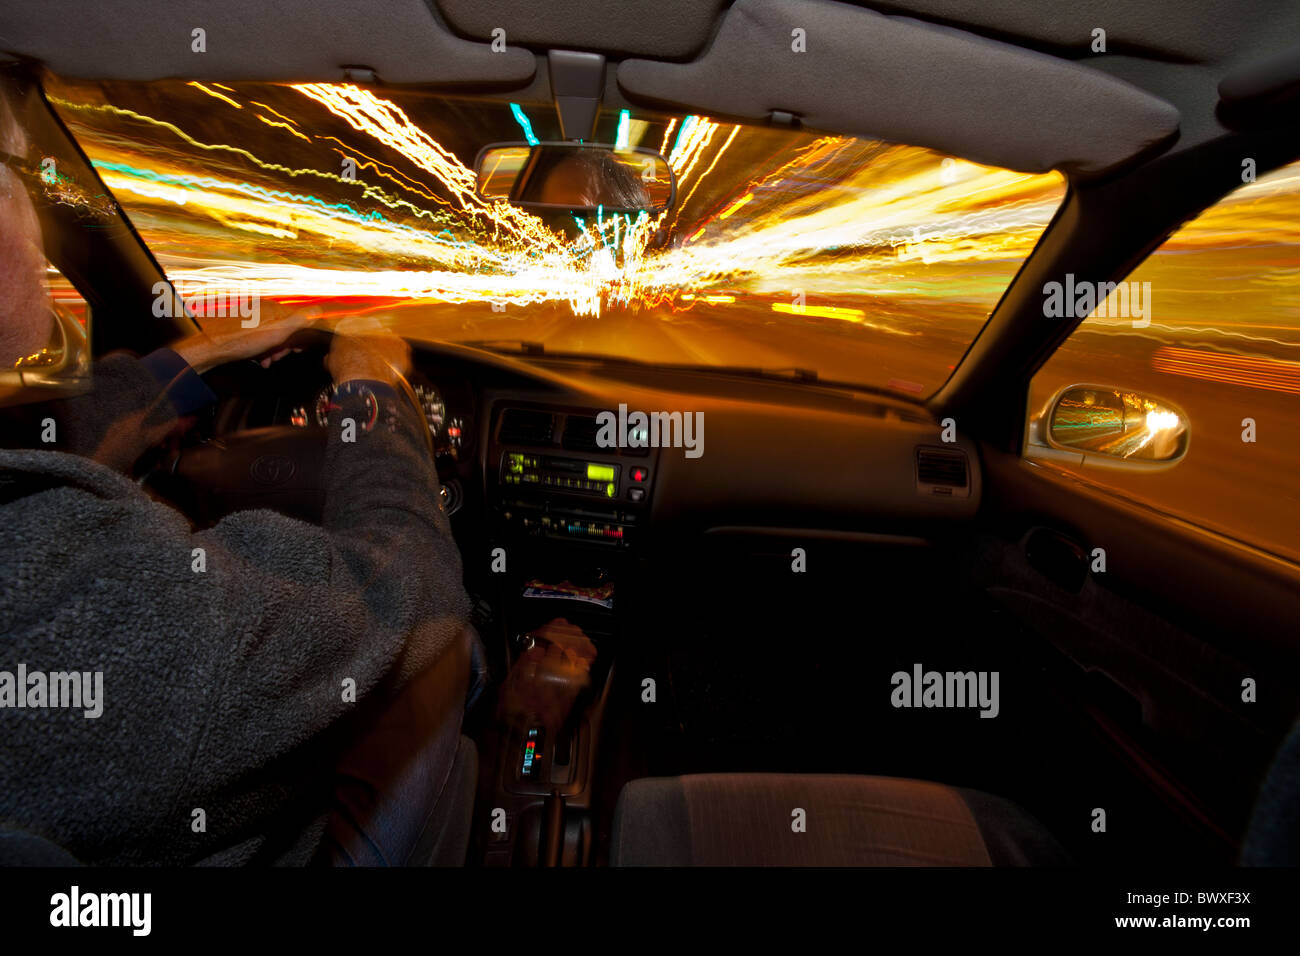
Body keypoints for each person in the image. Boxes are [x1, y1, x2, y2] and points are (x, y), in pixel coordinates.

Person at [0, 72, 476, 866]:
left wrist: (208, 354)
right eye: (19, 180)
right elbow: (407, 589)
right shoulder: (96, 611)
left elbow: (40, 444)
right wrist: (372, 395)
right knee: (451, 648)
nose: (40, 232)